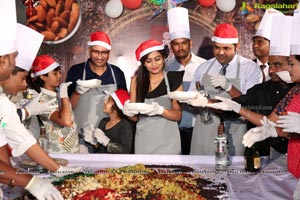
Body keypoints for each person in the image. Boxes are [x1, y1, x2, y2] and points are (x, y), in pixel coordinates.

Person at [0, 2, 62, 199]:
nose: (26, 84)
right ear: (3, 61)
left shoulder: (2, 102)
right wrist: (30, 182)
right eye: (14, 57)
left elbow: (21, 139)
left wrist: (58, 170)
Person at [188, 23, 262, 156]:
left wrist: (229, 87)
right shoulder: (203, 67)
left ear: (237, 46)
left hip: (235, 129)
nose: (221, 52)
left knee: (232, 172)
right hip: (204, 130)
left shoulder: (250, 68)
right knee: (200, 172)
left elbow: (249, 104)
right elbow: (191, 96)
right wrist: (192, 99)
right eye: (217, 48)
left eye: (226, 48)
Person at [65, 31, 127, 153]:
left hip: (109, 137)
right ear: (89, 50)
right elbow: (67, 108)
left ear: (109, 53)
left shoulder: (117, 73)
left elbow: (122, 108)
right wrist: (77, 92)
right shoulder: (76, 71)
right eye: (96, 52)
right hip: (81, 137)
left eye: (104, 52)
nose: (99, 57)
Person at [123, 39, 183, 154]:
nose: (154, 65)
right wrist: (128, 113)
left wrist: (160, 110)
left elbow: (177, 115)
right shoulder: (136, 81)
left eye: (157, 59)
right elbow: (135, 118)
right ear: (143, 63)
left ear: (164, 58)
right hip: (144, 141)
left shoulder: (173, 79)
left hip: (169, 142)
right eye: (149, 61)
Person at [164, 7, 206, 155]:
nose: (180, 47)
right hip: (173, 129)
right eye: (176, 43)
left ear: (191, 43)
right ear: (171, 46)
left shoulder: (204, 66)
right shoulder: (166, 69)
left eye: (184, 43)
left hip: (199, 128)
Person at [30, 55, 80, 153]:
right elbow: (66, 121)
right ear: (43, 76)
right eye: (55, 73)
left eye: (59, 72)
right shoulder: (42, 100)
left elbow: (70, 115)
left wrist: (77, 93)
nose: (59, 76)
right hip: (58, 153)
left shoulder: (58, 93)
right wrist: (64, 96)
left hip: (73, 151)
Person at [84, 89, 133, 153]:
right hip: (101, 161)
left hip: (115, 162)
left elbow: (125, 151)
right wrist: (94, 142)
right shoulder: (103, 121)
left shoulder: (125, 125)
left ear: (117, 105)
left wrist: (107, 142)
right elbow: (99, 149)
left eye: (109, 100)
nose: (105, 102)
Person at [252, 8, 283, 82]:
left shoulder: (280, 68)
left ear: (272, 45)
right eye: (254, 41)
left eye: (260, 42)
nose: (255, 45)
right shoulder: (248, 66)